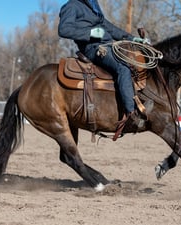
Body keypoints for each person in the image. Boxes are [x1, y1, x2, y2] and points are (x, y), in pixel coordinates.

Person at [58, 0, 151, 129]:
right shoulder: (72, 6)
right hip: (93, 48)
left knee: (136, 61)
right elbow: (64, 29)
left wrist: (133, 39)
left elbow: (109, 27)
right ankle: (132, 113)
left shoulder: (92, 5)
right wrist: (89, 34)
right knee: (123, 67)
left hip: (108, 45)